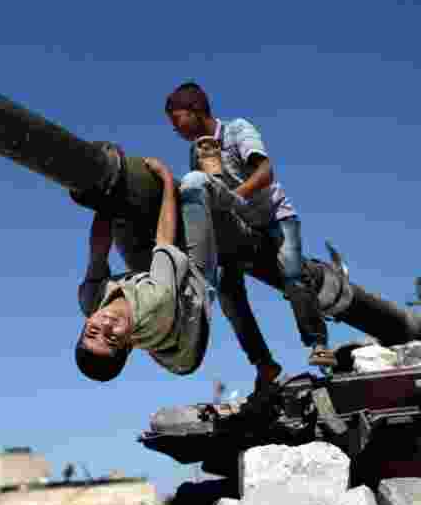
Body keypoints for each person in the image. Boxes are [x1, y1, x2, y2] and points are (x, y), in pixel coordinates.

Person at [163, 81, 336, 373]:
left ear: (194, 110)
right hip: (240, 228)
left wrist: (235, 197)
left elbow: (265, 172)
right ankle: (263, 363)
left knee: (292, 275)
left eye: (176, 120)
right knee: (228, 291)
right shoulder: (197, 153)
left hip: (274, 217)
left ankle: (318, 343)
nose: (175, 129)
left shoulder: (236, 130)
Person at [75, 157, 222, 381]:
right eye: (112, 338)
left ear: (86, 323)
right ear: (130, 345)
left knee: (121, 215)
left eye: (93, 331)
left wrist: (103, 198)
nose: (106, 324)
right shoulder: (155, 303)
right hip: (192, 291)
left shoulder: (90, 299)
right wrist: (166, 178)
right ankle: (239, 201)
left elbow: (99, 252)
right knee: (194, 184)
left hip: (149, 286)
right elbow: (165, 239)